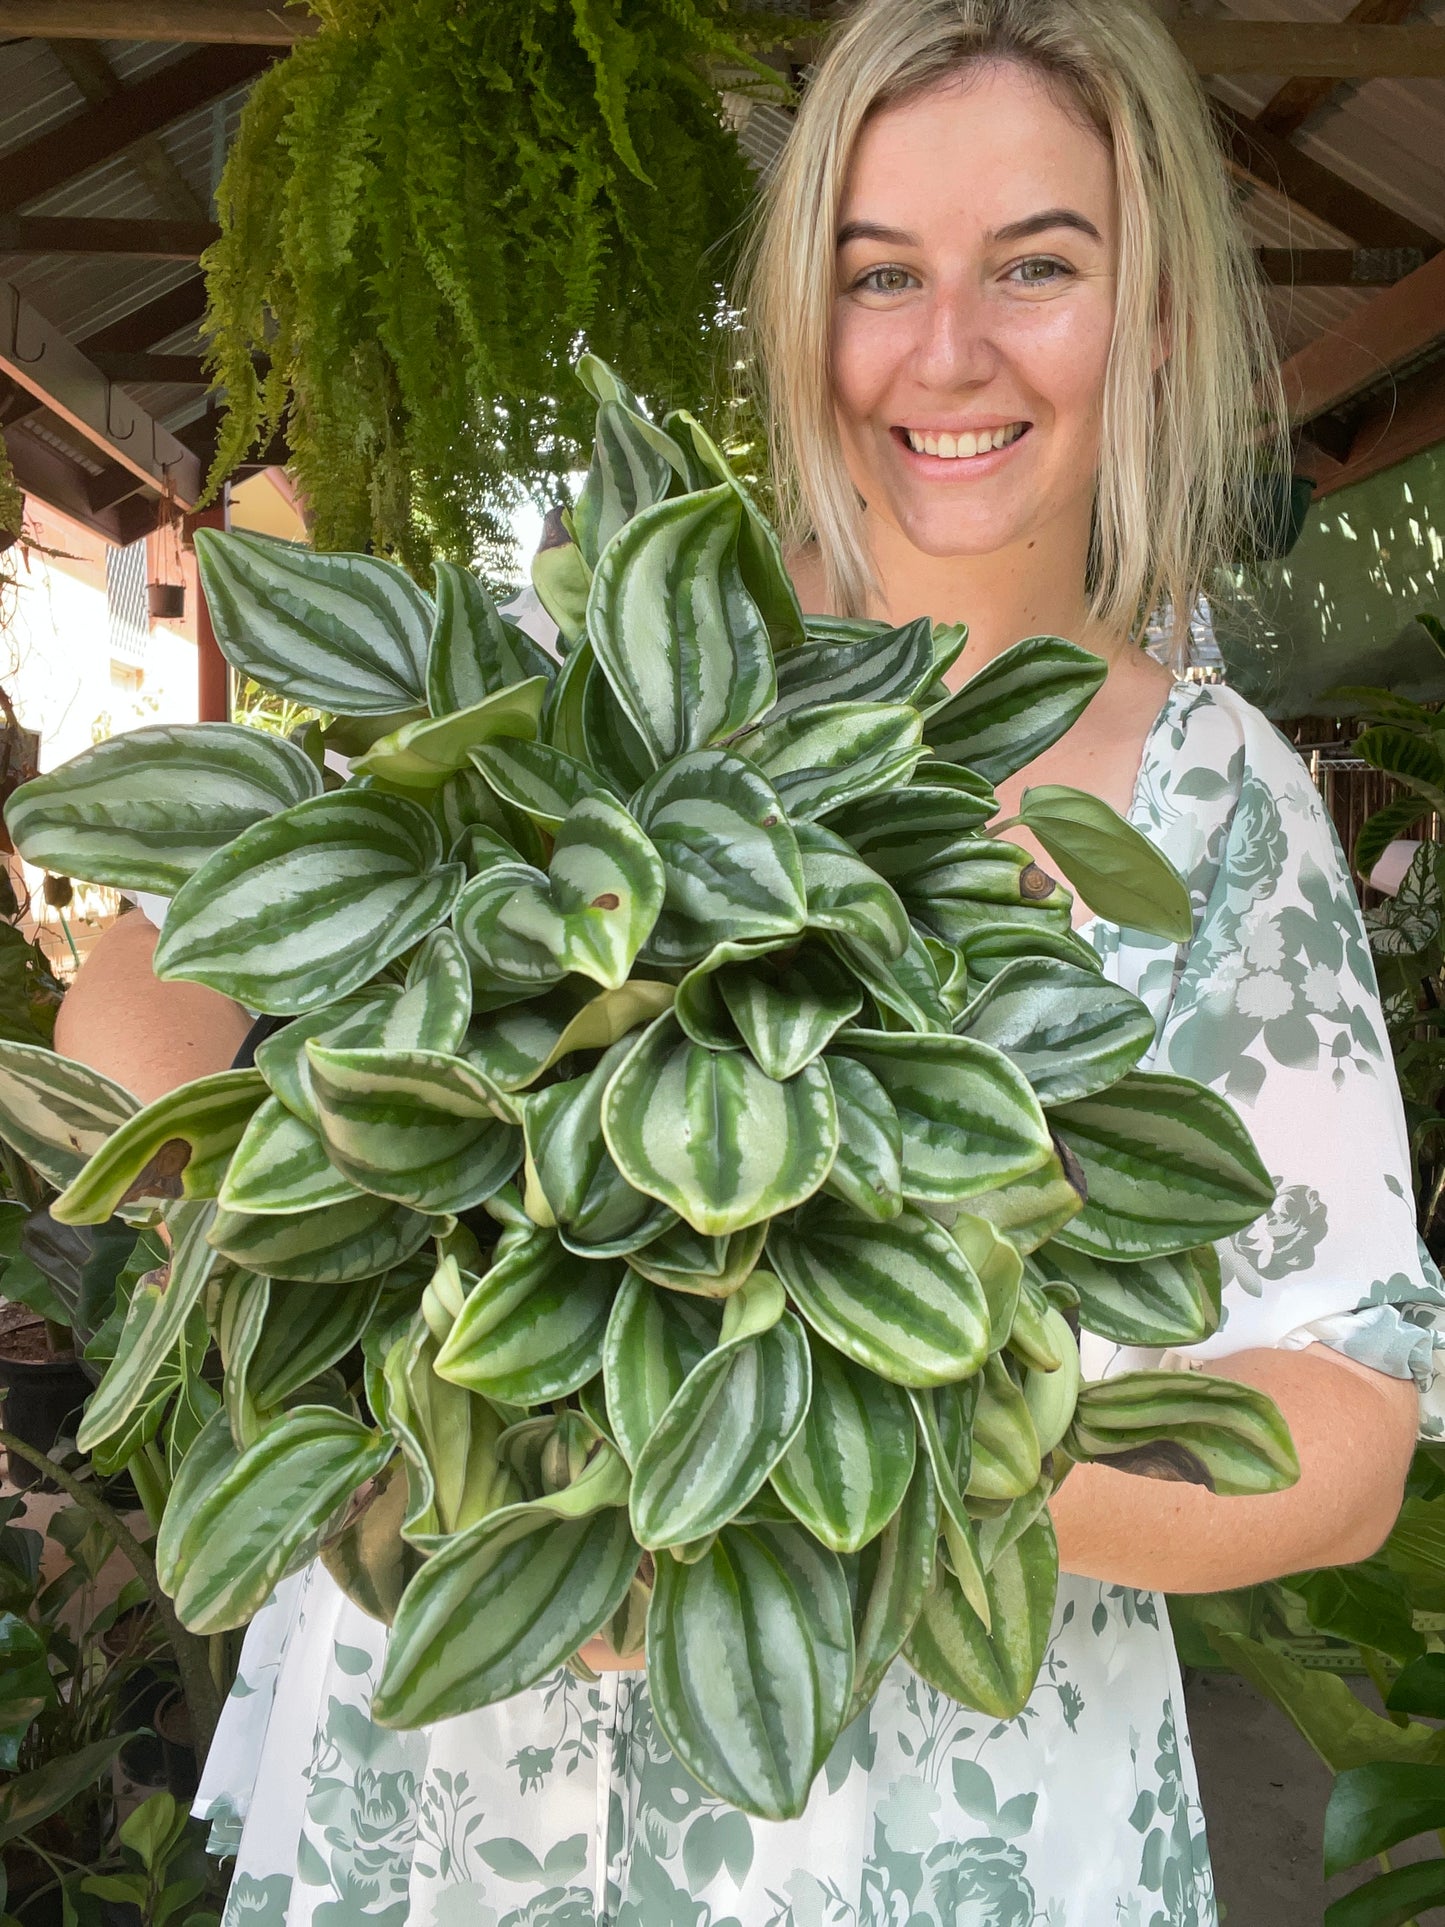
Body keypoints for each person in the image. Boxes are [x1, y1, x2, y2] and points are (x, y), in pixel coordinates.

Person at [56, 1, 1444, 1920]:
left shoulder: (1218, 807)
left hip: (908, 1809)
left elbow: (1342, 1433)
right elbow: (144, 981)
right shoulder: (611, 648)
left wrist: (795, 1493)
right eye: (881, 272)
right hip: (481, 1762)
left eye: (1034, 264)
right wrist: (305, 1245)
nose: (945, 350)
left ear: (1152, 316)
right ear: (803, 309)